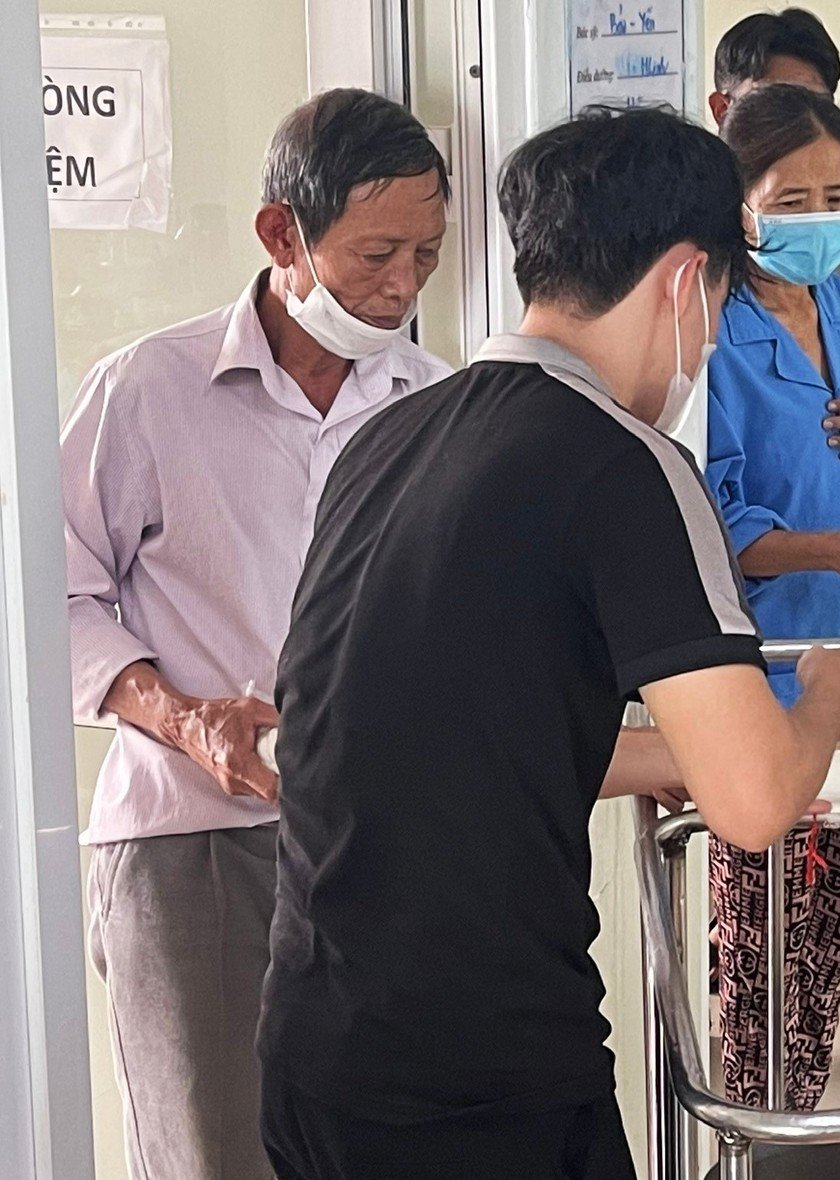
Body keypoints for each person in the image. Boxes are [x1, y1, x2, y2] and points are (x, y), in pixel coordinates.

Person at [257, 105, 840, 1178]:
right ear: (687, 283)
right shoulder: (629, 465)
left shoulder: (391, 437)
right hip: (480, 1072)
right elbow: (755, 805)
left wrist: (672, 755)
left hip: (315, 1046)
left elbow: (446, 726)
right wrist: (832, 697)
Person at [60, 88, 451, 1180]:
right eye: (375, 253)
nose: (401, 286)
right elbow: (53, 596)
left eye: (424, 255)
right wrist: (184, 719)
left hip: (387, 838)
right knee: (217, 1150)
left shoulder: (435, 403)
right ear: (282, 232)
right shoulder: (148, 391)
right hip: (196, 840)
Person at [703, 84, 840, 1111]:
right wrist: (830, 552)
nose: (821, 218)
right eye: (792, 199)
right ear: (738, 206)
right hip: (770, 679)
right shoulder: (713, 335)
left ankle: (790, 1123)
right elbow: (717, 518)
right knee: (759, 961)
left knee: (829, 948)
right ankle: (753, 1138)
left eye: (837, 194)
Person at [711, 7, 840, 322]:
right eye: (772, 104)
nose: (801, 122)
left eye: (818, 105)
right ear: (723, 110)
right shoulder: (689, 240)